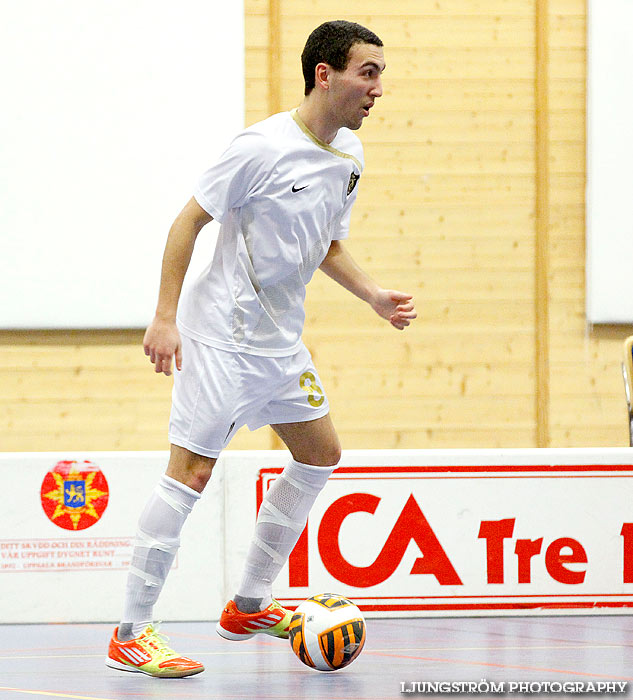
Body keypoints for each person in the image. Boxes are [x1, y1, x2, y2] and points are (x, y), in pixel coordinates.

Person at [105, 19, 416, 678]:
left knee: (320, 453)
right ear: (324, 74)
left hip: (278, 341)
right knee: (190, 473)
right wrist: (165, 318)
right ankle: (131, 631)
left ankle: (248, 604)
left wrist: (372, 295)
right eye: (368, 72)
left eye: (380, 73)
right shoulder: (259, 147)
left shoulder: (349, 157)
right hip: (220, 336)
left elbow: (325, 241)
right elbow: (188, 221)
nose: (378, 88)